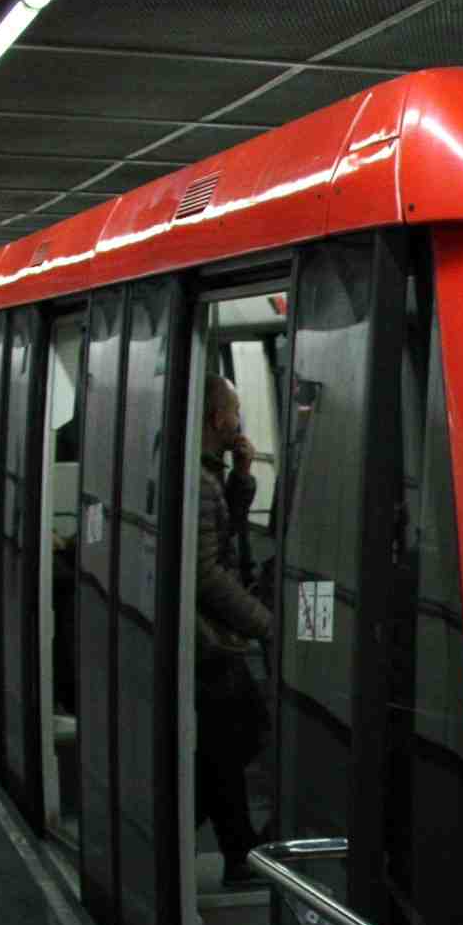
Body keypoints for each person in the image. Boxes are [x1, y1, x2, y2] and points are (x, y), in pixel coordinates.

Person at [197, 375, 274, 889]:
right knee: (237, 734)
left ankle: (238, 848)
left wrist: (242, 478)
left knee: (229, 740)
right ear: (218, 418)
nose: (238, 421)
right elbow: (207, 572)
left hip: (214, 639)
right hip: (207, 642)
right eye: (234, 411)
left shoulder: (210, 476)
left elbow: (227, 532)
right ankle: (237, 851)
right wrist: (264, 623)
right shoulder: (198, 482)